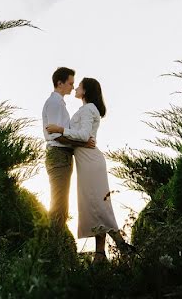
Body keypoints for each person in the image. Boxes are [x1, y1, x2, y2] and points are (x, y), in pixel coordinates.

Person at [46, 77, 132, 262]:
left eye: (79, 86)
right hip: (87, 161)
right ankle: (100, 255)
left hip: (90, 162)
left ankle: (123, 248)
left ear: (85, 91)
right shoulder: (87, 109)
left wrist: (59, 129)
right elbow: (84, 138)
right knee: (95, 205)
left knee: (99, 205)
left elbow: (84, 135)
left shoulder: (87, 109)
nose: (75, 88)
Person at [42, 67, 95, 228]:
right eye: (70, 83)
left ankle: (53, 247)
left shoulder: (59, 103)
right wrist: (83, 143)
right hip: (58, 155)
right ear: (60, 83)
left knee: (61, 206)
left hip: (62, 155)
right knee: (59, 207)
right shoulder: (55, 103)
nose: (73, 87)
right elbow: (58, 136)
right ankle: (49, 249)